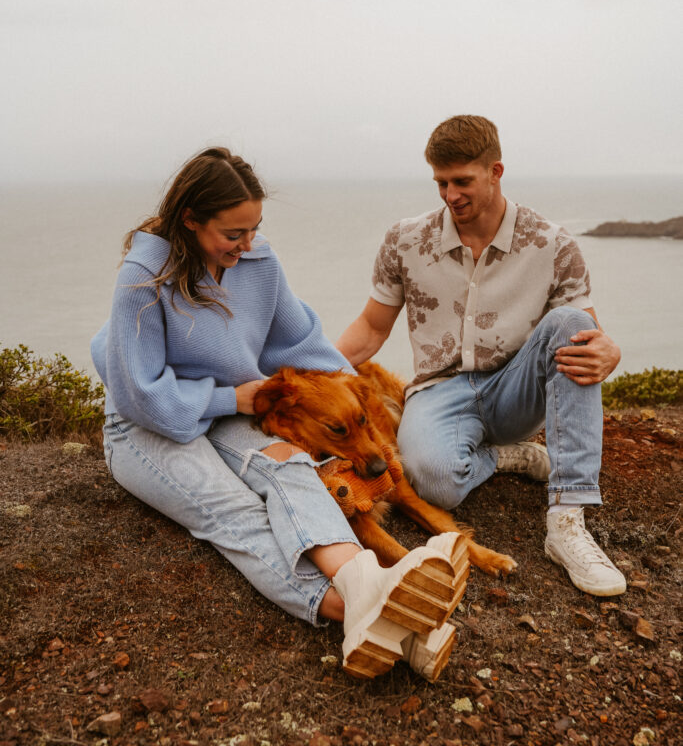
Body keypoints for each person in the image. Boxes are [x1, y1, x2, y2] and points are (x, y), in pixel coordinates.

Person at [91, 147, 466, 681]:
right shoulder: (143, 280)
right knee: (233, 510)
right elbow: (144, 398)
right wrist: (232, 400)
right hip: (147, 424)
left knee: (290, 467)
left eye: (254, 229)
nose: (247, 247)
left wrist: (357, 401)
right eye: (233, 234)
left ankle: (365, 585)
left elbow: (301, 341)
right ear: (190, 220)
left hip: (226, 409)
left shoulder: (257, 262)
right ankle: (373, 621)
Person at [336, 116, 627, 597]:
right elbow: (370, 329)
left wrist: (610, 348)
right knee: (433, 483)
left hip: (513, 388)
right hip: (440, 392)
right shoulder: (405, 241)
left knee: (572, 325)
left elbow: (587, 334)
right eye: (441, 183)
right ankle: (508, 458)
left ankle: (567, 521)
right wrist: (308, 373)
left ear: (496, 171)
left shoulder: (553, 245)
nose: (451, 195)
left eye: (463, 181)